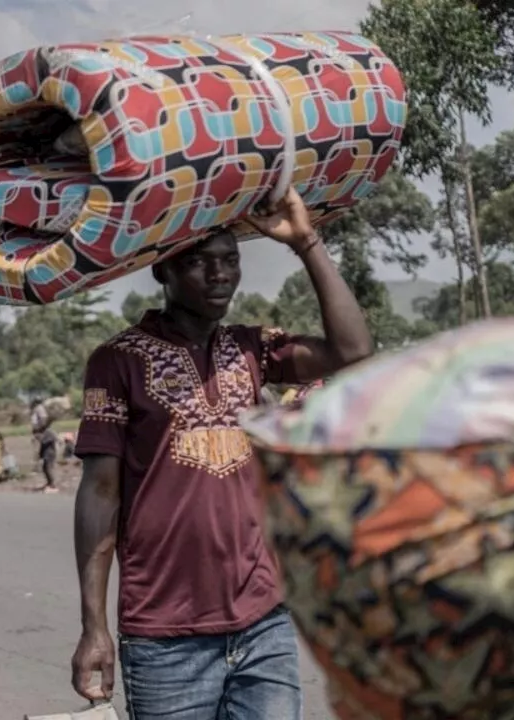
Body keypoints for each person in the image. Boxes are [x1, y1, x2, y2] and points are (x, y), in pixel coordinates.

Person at [70, 187, 373, 719]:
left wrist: (307, 242)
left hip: (265, 623)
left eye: (229, 260)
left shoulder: (252, 348)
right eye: (198, 262)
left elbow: (352, 353)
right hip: (166, 638)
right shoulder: (116, 361)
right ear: (161, 270)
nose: (219, 275)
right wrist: (94, 625)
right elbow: (99, 494)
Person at [30, 398, 57, 493]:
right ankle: (49, 483)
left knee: (47, 462)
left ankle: (52, 486)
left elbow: (44, 420)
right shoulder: (38, 409)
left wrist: (37, 429)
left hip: (47, 438)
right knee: (45, 463)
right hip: (44, 439)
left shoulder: (39, 408)